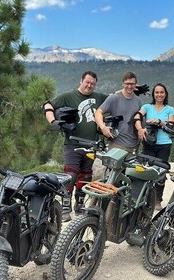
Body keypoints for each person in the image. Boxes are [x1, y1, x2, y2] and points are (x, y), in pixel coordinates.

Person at [42, 70, 107, 222]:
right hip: (72, 143)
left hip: (91, 144)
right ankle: (65, 207)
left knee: (85, 176)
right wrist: (53, 121)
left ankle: (79, 204)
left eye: (92, 83)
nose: (89, 86)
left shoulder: (98, 97)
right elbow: (47, 105)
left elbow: (115, 99)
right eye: (87, 82)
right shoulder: (68, 96)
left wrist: (129, 88)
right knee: (70, 175)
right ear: (81, 81)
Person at [134, 83, 174, 210]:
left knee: (160, 172)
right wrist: (140, 128)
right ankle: (144, 197)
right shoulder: (147, 107)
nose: (159, 95)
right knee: (146, 171)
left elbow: (171, 125)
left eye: (161, 92)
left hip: (164, 144)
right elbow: (137, 116)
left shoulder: (169, 109)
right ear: (153, 94)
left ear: (165, 94)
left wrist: (159, 122)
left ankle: (157, 199)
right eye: (157, 92)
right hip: (149, 143)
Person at [95, 71, 143, 153]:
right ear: (123, 84)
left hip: (134, 146)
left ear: (136, 85)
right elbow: (98, 112)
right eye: (127, 83)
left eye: (132, 84)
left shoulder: (138, 100)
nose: (129, 86)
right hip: (117, 144)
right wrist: (103, 127)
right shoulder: (114, 98)